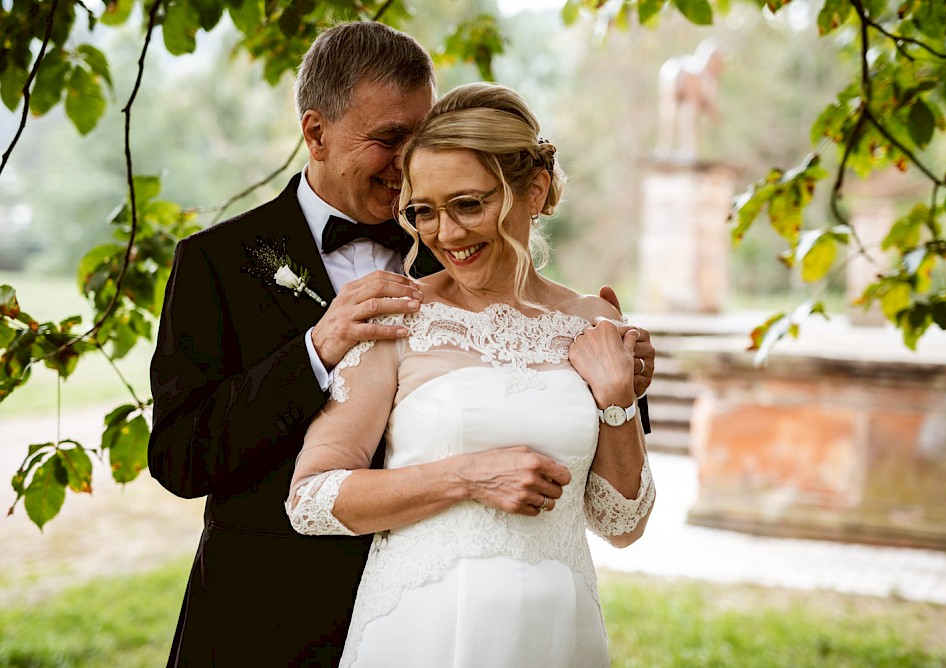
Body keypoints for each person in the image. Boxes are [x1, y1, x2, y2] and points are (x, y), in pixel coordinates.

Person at [148, 21, 655, 666]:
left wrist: (627, 387)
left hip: (506, 622)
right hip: (273, 615)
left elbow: (598, 469)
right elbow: (179, 457)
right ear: (315, 133)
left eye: (423, 136)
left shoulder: (463, 247)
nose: (410, 165)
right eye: (389, 139)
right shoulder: (218, 262)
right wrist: (315, 349)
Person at [285, 81, 656, 667]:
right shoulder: (399, 319)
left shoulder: (593, 323)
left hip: (555, 631)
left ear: (533, 192)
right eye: (423, 211)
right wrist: (466, 476)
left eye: (468, 204)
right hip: (423, 628)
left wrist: (616, 400)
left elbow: (621, 523)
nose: (446, 234)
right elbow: (309, 499)